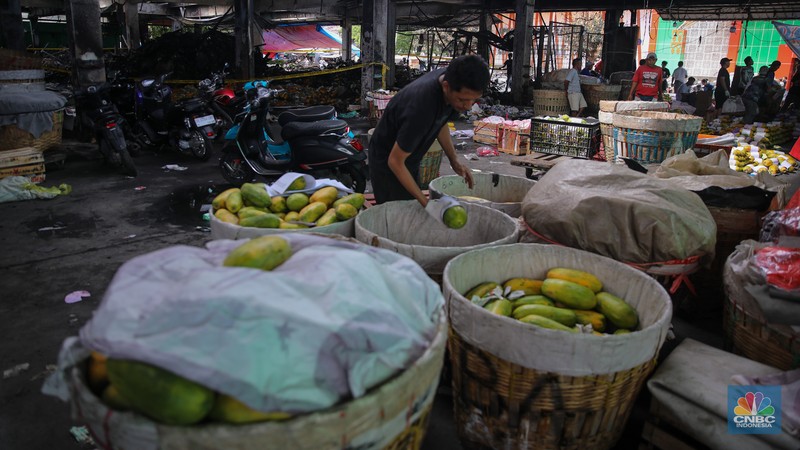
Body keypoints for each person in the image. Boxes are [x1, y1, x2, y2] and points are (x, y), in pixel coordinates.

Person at [367, 54, 487, 205]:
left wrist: (454, 160)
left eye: (473, 100)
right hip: (388, 162)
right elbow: (395, 161)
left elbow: (440, 121)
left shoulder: (451, 82)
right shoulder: (421, 107)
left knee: (411, 205)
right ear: (446, 87)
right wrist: (426, 204)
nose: (468, 106)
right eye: (463, 100)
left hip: (408, 158)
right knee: (398, 215)